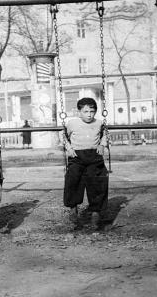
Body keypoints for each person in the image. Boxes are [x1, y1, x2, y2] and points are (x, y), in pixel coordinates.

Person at [62, 97, 109, 229]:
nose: (89, 115)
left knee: (97, 183)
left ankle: (95, 213)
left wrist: (102, 145)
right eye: (86, 111)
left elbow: (105, 134)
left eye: (92, 111)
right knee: (73, 181)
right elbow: (63, 136)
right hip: (77, 156)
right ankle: (73, 210)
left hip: (94, 156)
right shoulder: (72, 123)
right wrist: (69, 148)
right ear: (79, 112)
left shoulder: (99, 123)